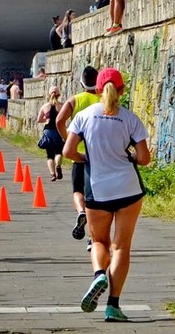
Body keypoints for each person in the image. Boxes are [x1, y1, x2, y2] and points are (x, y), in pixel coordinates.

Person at [62, 67, 150, 322]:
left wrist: (85, 158)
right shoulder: (131, 119)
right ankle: (113, 305)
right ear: (121, 91)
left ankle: (98, 273)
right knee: (121, 246)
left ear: (97, 90)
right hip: (129, 188)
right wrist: (131, 156)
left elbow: (68, 151)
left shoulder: (84, 116)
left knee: (99, 241)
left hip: (97, 188)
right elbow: (144, 159)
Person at [56, 66, 99, 249]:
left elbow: (59, 121)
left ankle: (81, 211)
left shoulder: (75, 100)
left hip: (78, 155)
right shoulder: (104, 100)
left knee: (78, 191)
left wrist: (68, 140)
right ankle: (94, 238)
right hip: (99, 156)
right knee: (98, 199)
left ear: (81, 82)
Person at [36, 86, 64, 181]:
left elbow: (39, 119)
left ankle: (52, 174)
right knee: (59, 151)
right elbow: (65, 118)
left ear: (49, 94)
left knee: (49, 154)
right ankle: (58, 166)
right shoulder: (62, 106)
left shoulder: (45, 106)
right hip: (58, 131)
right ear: (59, 94)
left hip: (48, 131)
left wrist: (47, 119)